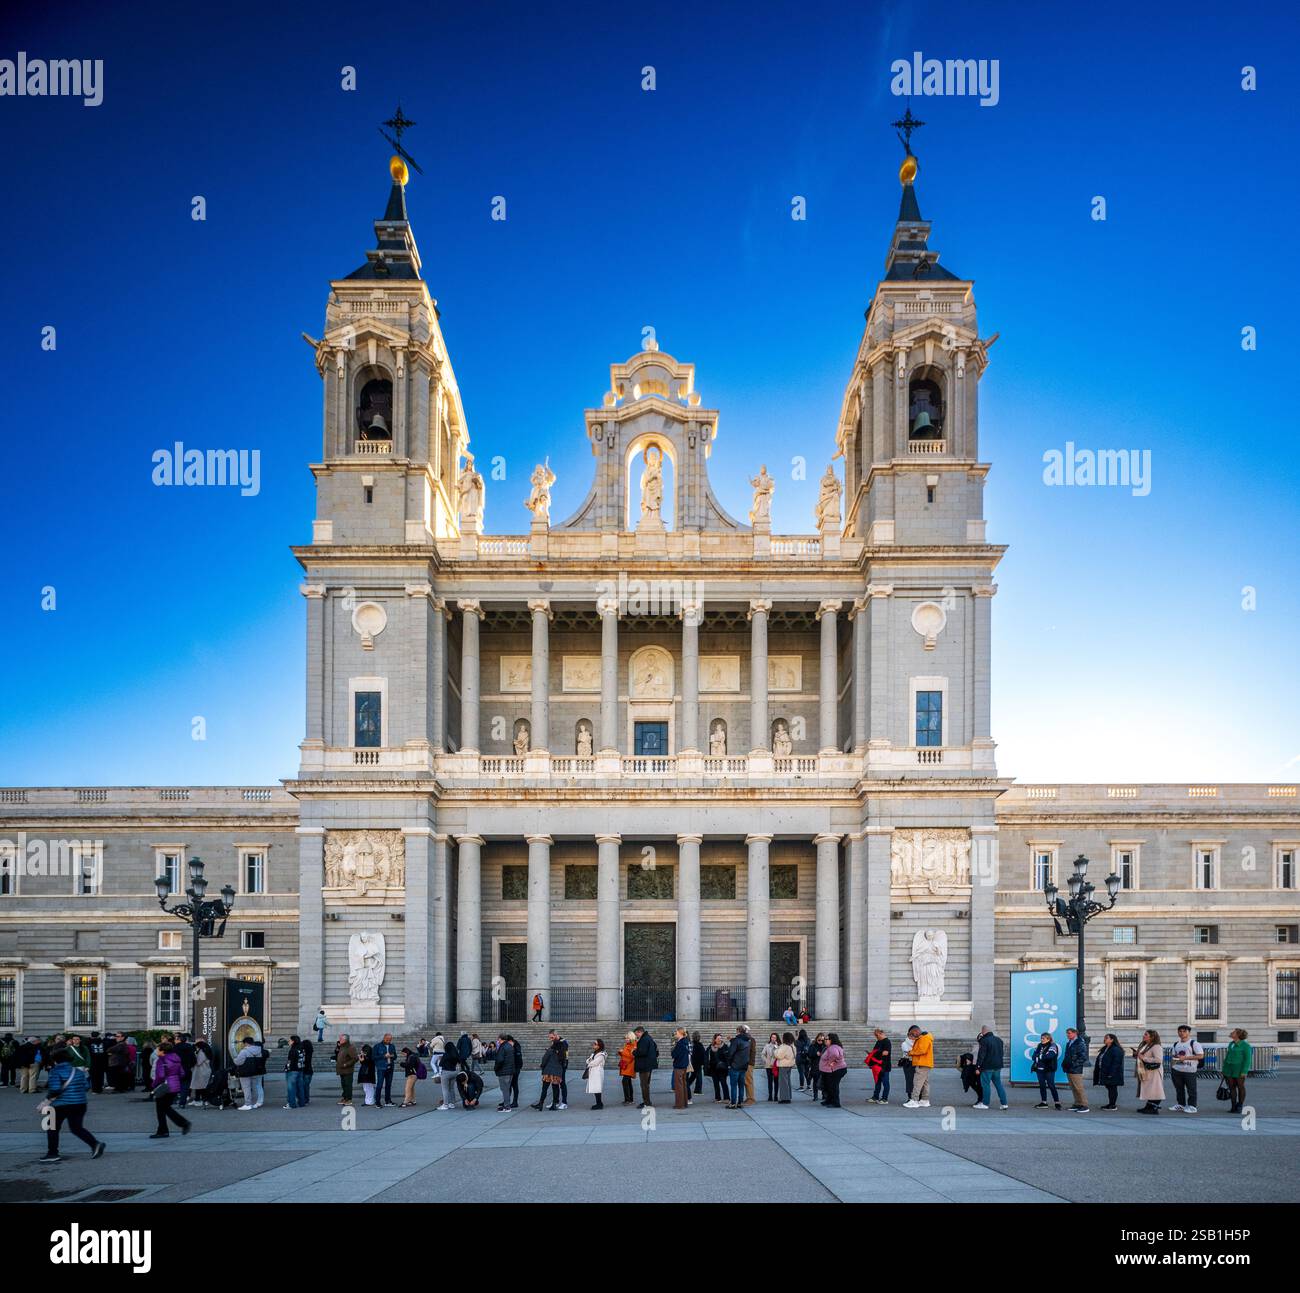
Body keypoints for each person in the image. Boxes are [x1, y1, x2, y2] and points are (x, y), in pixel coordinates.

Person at [38, 1047, 105, 1163]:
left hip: (60, 1105)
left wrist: (46, 1101)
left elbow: (55, 1090)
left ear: (55, 1060)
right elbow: (86, 1086)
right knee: (76, 1128)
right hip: (80, 1103)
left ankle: (52, 1153)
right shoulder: (78, 1072)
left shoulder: (55, 1071)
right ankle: (95, 1144)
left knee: (52, 1127)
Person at [149, 1042, 192, 1138]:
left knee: (160, 1109)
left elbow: (160, 1075)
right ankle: (182, 1123)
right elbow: (182, 1073)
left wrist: (154, 1085)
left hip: (165, 1087)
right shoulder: (176, 1059)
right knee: (166, 1108)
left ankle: (163, 1130)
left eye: (158, 1049)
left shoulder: (162, 1060)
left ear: (162, 1051)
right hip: (175, 1086)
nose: (156, 1051)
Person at [1169, 1025, 1204, 1114]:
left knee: (1191, 1089)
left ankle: (1192, 1106)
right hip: (1177, 1069)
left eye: (1184, 1031)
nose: (1182, 1033)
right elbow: (1173, 1056)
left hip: (1190, 1070)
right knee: (1179, 1089)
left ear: (1189, 1032)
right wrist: (1173, 1066)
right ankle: (1181, 1104)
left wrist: (1185, 1058)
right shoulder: (1176, 1044)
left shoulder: (1194, 1043)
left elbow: (1200, 1055)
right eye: (1180, 1031)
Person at [972, 1025, 1008, 1110]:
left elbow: (981, 1056)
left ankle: (985, 1103)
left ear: (983, 1031)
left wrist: (977, 1067)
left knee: (986, 1085)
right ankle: (1004, 1103)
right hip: (997, 1066)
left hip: (987, 1067)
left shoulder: (984, 1041)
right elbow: (1001, 1053)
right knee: (998, 1084)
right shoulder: (999, 1040)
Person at [1131, 1029, 1164, 1114]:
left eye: (1146, 1035)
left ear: (1152, 1037)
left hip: (1154, 1071)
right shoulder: (1145, 1045)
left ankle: (1153, 1108)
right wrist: (1136, 1055)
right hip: (1145, 1070)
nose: (1143, 1036)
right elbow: (1141, 1056)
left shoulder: (1156, 1046)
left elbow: (1158, 1059)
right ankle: (1148, 1106)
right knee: (1149, 1089)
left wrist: (1143, 1058)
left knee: (1155, 1089)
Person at [902, 1026, 933, 1108]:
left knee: (917, 1082)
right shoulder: (923, 1038)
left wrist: (911, 1053)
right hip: (924, 1063)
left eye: (912, 1034)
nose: (912, 1037)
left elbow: (922, 1050)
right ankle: (924, 1100)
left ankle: (914, 1100)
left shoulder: (924, 1038)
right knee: (925, 1083)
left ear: (916, 1032)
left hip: (922, 1063)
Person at [1221, 1028, 1251, 1113]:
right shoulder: (1231, 1044)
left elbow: (1247, 1060)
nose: (1231, 1033)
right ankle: (1233, 1106)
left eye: (1233, 1032)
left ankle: (1240, 1105)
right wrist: (1224, 1069)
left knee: (1240, 1087)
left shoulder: (1245, 1046)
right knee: (1231, 1087)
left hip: (1239, 1069)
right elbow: (1227, 1057)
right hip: (1229, 1069)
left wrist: (1244, 1071)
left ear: (1238, 1035)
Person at [1092, 1032, 1125, 1109]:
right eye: (1105, 1038)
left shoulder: (1116, 1049)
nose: (1104, 1039)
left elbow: (1116, 1062)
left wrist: (1111, 1073)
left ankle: (1112, 1105)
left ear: (1112, 1040)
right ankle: (1110, 1103)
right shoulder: (1105, 1048)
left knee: (1112, 1088)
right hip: (1105, 1071)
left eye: (1107, 1038)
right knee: (1109, 1087)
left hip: (1113, 1073)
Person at [533, 1037, 566, 1110]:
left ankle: (541, 1104)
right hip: (557, 1072)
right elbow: (563, 1063)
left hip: (548, 1072)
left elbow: (544, 1060)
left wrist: (542, 1066)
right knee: (555, 1088)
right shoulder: (562, 1053)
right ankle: (554, 1104)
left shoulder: (550, 1051)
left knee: (544, 1088)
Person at [233, 1036, 266, 1110]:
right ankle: (255, 1103)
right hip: (255, 1071)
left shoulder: (244, 1051)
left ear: (246, 1043)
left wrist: (235, 1059)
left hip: (245, 1072)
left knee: (246, 1088)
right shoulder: (259, 1050)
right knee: (255, 1087)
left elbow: (238, 1062)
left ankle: (248, 1104)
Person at [1061, 1027, 1090, 1112]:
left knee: (1079, 1087)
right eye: (1067, 1033)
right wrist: (1064, 1064)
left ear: (1075, 1033)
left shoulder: (1080, 1043)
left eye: (1069, 1033)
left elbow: (1083, 1057)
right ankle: (1077, 1103)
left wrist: (1074, 1065)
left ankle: (1084, 1105)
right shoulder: (1069, 1042)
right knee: (1073, 1087)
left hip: (1076, 1069)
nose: (1067, 1035)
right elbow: (1067, 1055)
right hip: (1069, 1068)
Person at [1030, 1032, 1061, 1109]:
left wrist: (1039, 1056)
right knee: (1042, 1086)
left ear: (1048, 1039)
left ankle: (1057, 1103)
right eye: (1041, 1038)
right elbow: (1033, 1057)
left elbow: (1050, 1056)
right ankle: (1044, 1102)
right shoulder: (1039, 1045)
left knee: (1051, 1085)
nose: (1042, 1039)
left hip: (1049, 1069)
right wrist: (1040, 1056)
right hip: (1039, 1069)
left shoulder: (1053, 1045)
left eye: (1043, 1038)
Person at [819, 1032, 847, 1107]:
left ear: (832, 1040)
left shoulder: (833, 1047)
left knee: (833, 1086)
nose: (825, 1040)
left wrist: (830, 1062)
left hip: (837, 1070)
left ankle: (836, 1103)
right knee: (830, 1086)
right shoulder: (834, 1046)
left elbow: (835, 1055)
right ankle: (829, 1100)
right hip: (836, 1069)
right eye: (825, 1039)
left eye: (827, 1039)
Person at [633, 1026, 659, 1108]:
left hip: (644, 1065)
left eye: (636, 1034)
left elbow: (642, 1052)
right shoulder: (649, 1038)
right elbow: (656, 1049)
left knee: (644, 1085)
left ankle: (646, 1103)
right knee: (646, 1084)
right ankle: (647, 1101)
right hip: (648, 1064)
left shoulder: (644, 1039)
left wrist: (634, 1051)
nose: (636, 1036)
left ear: (639, 1032)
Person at [725, 1027, 749, 1109]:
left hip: (735, 1066)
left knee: (734, 1085)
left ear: (738, 1031)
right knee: (741, 1085)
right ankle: (740, 1102)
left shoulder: (736, 1040)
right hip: (744, 1066)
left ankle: (733, 1103)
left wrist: (729, 1063)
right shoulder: (747, 1041)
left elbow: (731, 1053)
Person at [867, 1028, 892, 1104]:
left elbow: (886, 1053)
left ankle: (884, 1099)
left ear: (881, 1033)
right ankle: (875, 1097)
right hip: (876, 1065)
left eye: (877, 1035)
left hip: (885, 1066)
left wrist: (875, 1053)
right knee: (877, 1082)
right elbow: (875, 1052)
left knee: (885, 1082)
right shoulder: (878, 1041)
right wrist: (871, 1055)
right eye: (875, 1035)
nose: (876, 1037)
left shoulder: (887, 1042)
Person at [495, 1034, 518, 1111]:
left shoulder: (503, 1047)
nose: (498, 1041)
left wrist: (496, 1068)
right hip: (510, 1071)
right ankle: (506, 1104)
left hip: (504, 1071)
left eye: (498, 1039)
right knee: (507, 1089)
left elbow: (500, 1060)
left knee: (504, 1089)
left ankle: (507, 1106)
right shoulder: (509, 1046)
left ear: (501, 1039)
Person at [670, 1028, 692, 1110]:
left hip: (679, 1066)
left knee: (679, 1086)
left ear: (680, 1033)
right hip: (684, 1065)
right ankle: (684, 1103)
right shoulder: (686, 1042)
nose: (675, 1034)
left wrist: (673, 1047)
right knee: (683, 1085)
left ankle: (679, 1104)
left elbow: (674, 1054)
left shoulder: (680, 1043)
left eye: (676, 1032)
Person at [374, 1032, 397, 1107]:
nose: (388, 1041)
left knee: (388, 1085)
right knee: (379, 1085)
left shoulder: (392, 1046)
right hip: (381, 1068)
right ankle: (377, 1102)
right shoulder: (377, 1046)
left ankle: (388, 1101)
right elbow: (373, 1057)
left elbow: (395, 1056)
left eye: (390, 1040)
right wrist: (383, 1056)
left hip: (390, 1067)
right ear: (384, 1038)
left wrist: (392, 1056)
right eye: (387, 1039)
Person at [335, 1034, 358, 1106]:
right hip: (341, 1070)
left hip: (347, 1070)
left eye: (341, 1039)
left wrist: (346, 1064)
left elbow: (355, 1058)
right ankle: (344, 1098)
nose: (339, 1040)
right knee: (344, 1085)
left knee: (348, 1085)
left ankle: (349, 1099)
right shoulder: (342, 1047)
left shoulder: (350, 1047)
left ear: (345, 1040)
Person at [584, 1038, 607, 1110]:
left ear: (599, 1045)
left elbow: (594, 1062)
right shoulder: (594, 1053)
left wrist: (589, 1062)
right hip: (593, 1072)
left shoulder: (601, 1054)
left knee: (597, 1088)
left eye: (595, 1044)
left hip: (597, 1073)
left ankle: (599, 1104)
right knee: (595, 1088)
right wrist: (589, 1062)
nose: (593, 1045)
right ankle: (599, 1103)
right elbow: (587, 1060)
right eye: (593, 1043)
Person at [438, 1040, 461, 1110]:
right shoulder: (456, 1054)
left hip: (446, 1072)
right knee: (451, 1088)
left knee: (445, 1089)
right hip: (454, 1072)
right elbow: (459, 1062)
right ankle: (452, 1103)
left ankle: (445, 1104)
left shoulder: (446, 1054)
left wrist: (440, 1059)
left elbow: (440, 1064)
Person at [190, 1039, 213, 1108]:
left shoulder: (202, 1052)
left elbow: (198, 1062)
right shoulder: (206, 1051)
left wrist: (194, 1055)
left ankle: (200, 1100)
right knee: (202, 1086)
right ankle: (200, 1100)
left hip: (202, 1071)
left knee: (201, 1087)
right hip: (205, 1071)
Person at [775, 1032, 797, 1103]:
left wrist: (776, 1049)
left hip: (783, 1066)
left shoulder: (784, 1047)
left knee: (783, 1083)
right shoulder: (792, 1046)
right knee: (788, 1082)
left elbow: (778, 1055)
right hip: (789, 1065)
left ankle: (785, 1098)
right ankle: (788, 1096)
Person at [807, 1033, 826, 1101]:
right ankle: (815, 1096)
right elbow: (809, 1054)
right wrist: (815, 1054)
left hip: (824, 1066)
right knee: (815, 1081)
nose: (820, 1041)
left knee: (824, 1081)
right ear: (817, 1039)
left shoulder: (825, 1046)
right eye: (819, 1040)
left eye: (822, 1040)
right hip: (815, 1065)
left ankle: (824, 1095)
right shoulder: (813, 1046)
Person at [762, 1032, 780, 1101]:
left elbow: (779, 1054)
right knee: (770, 1081)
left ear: (777, 1038)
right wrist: (766, 1060)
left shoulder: (779, 1046)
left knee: (776, 1081)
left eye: (775, 1037)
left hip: (776, 1066)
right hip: (769, 1066)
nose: (773, 1039)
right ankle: (770, 1096)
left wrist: (776, 1047)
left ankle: (776, 1096)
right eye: (772, 1037)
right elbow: (763, 1054)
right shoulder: (767, 1046)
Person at [742, 1025, 757, 1105]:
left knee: (749, 1081)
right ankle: (748, 1097)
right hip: (747, 1062)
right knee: (746, 1081)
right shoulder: (747, 1039)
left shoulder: (750, 1040)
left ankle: (751, 1098)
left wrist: (750, 1062)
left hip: (749, 1063)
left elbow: (752, 1052)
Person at [690, 1031, 706, 1096]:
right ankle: (697, 1090)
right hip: (698, 1063)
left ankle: (686, 1086)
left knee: (693, 1076)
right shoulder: (699, 1045)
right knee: (698, 1077)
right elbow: (703, 1054)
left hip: (693, 1062)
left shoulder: (691, 1044)